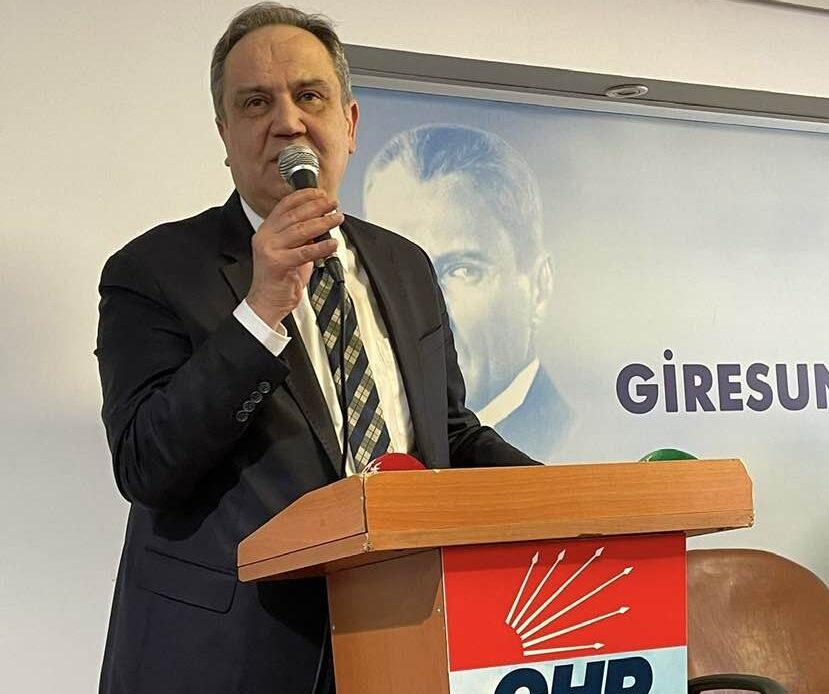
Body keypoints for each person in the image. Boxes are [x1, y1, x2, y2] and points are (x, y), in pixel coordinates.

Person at [95, 4, 535, 693]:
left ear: (349, 124)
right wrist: (261, 308)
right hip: (227, 659)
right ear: (224, 134)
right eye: (255, 103)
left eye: (309, 96)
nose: (288, 122)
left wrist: (569, 498)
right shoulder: (152, 270)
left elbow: (444, 433)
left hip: (403, 633)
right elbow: (147, 465)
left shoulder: (406, 265)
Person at [363, 124, 571, 460]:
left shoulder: (573, 435)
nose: (430, 302)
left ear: (539, 286)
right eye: (401, 273)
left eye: (462, 270)